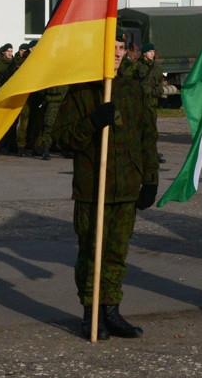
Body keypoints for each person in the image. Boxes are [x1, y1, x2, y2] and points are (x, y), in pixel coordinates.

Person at [53, 31, 158, 340]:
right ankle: (91, 313)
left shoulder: (133, 90)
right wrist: (92, 122)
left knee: (116, 253)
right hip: (92, 188)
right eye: (110, 47)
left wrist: (150, 180)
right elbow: (62, 137)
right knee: (91, 251)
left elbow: (147, 137)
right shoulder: (83, 90)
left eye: (121, 47)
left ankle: (110, 309)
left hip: (126, 186)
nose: (115, 53)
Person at [136, 43, 165, 162]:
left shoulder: (156, 67)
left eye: (153, 51)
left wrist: (156, 91)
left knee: (152, 131)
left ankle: (152, 152)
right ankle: (141, 153)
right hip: (140, 104)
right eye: (150, 51)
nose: (152, 53)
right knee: (140, 130)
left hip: (152, 104)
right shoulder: (138, 66)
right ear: (144, 53)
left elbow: (159, 84)